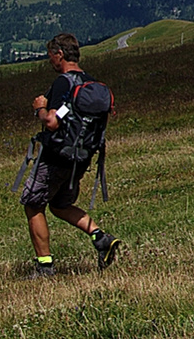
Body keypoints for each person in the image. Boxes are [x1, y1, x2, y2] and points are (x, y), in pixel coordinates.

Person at [19, 33, 122, 277]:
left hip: (57, 155)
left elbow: (52, 122)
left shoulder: (64, 83)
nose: (50, 62)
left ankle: (45, 266)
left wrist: (40, 110)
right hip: (82, 158)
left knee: (33, 204)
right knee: (60, 204)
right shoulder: (90, 82)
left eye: (51, 57)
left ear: (60, 55)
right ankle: (101, 238)